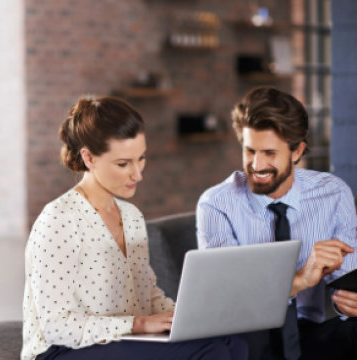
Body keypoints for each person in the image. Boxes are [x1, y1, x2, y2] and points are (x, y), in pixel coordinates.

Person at [21, 96, 248, 360]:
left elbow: (147, 297)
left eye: (140, 159)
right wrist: (138, 324)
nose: (137, 174)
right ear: (89, 158)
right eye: (122, 164)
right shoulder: (60, 220)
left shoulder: (131, 217)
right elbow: (56, 327)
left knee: (232, 341)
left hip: (121, 338)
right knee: (210, 350)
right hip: (62, 350)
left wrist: (185, 317)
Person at [197, 86, 357, 360]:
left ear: (297, 151)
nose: (257, 165)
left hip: (309, 332)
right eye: (250, 152)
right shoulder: (216, 203)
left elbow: (348, 281)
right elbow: (227, 301)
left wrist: (349, 304)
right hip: (246, 337)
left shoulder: (333, 193)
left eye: (270, 153)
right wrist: (300, 280)